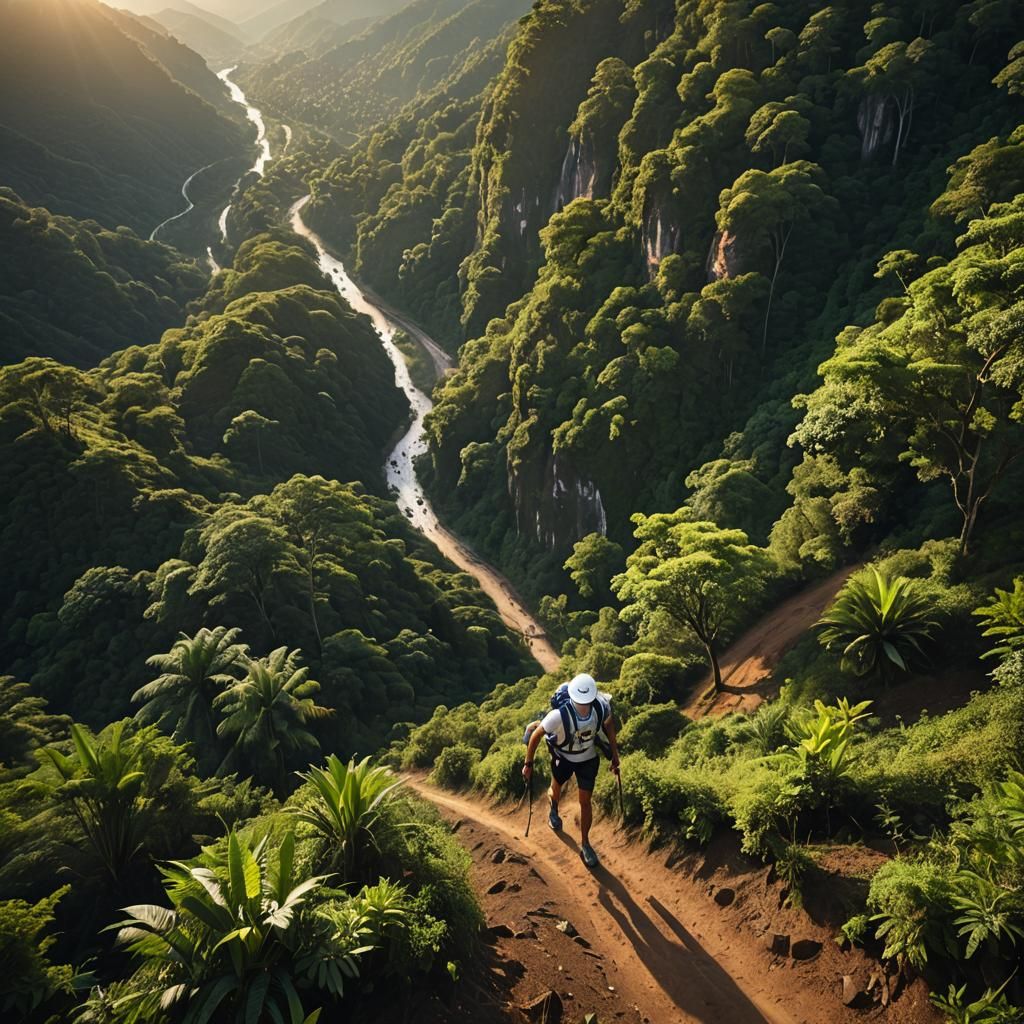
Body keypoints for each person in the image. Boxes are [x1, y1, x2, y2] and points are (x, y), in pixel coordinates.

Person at [522, 673, 620, 867]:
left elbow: (609, 728)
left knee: (585, 801)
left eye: (587, 702)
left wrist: (615, 755)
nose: (584, 706)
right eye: (579, 702)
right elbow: (536, 735)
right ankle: (553, 809)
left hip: (588, 759)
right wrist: (528, 764)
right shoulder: (557, 716)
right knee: (556, 787)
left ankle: (585, 844)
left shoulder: (601, 707)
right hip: (563, 757)